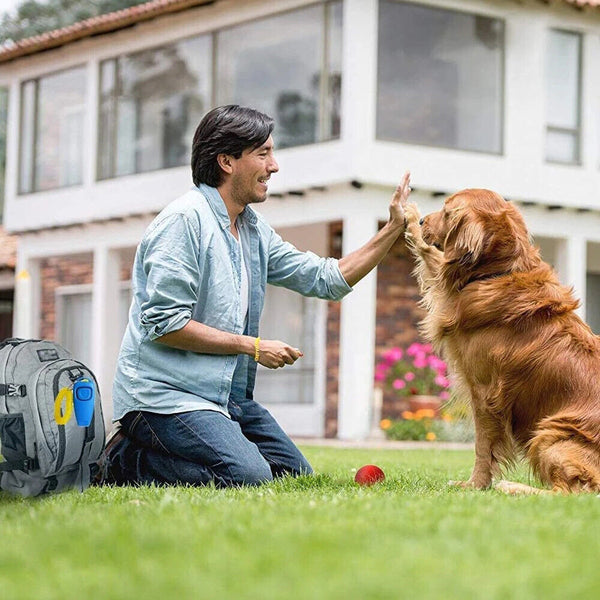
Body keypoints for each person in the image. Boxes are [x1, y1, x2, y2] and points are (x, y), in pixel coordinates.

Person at [100, 104, 411, 487]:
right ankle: (121, 461)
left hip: (225, 398)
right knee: (245, 475)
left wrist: (393, 229)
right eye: (263, 153)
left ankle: (166, 453)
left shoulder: (252, 231)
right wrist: (252, 346)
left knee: (292, 475)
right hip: (163, 398)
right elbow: (165, 325)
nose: (274, 165)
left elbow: (325, 278)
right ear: (227, 161)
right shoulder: (183, 223)